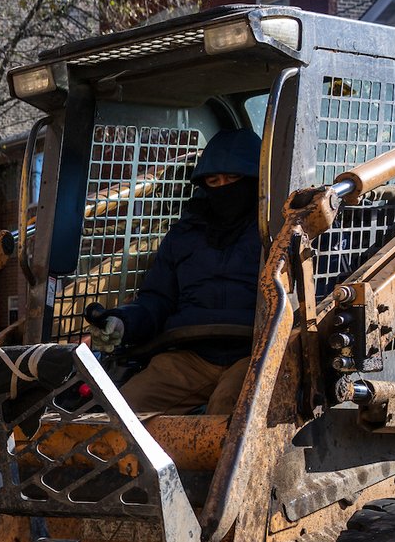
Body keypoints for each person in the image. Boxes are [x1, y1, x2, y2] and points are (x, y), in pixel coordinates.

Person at [88, 129, 263, 416]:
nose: (224, 188)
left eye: (234, 179)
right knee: (121, 411)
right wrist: (122, 322)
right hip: (191, 355)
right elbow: (156, 299)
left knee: (229, 409)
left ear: (256, 181)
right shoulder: (184, 236)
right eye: (214, 181)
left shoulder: (275, 230)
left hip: (255, 353)